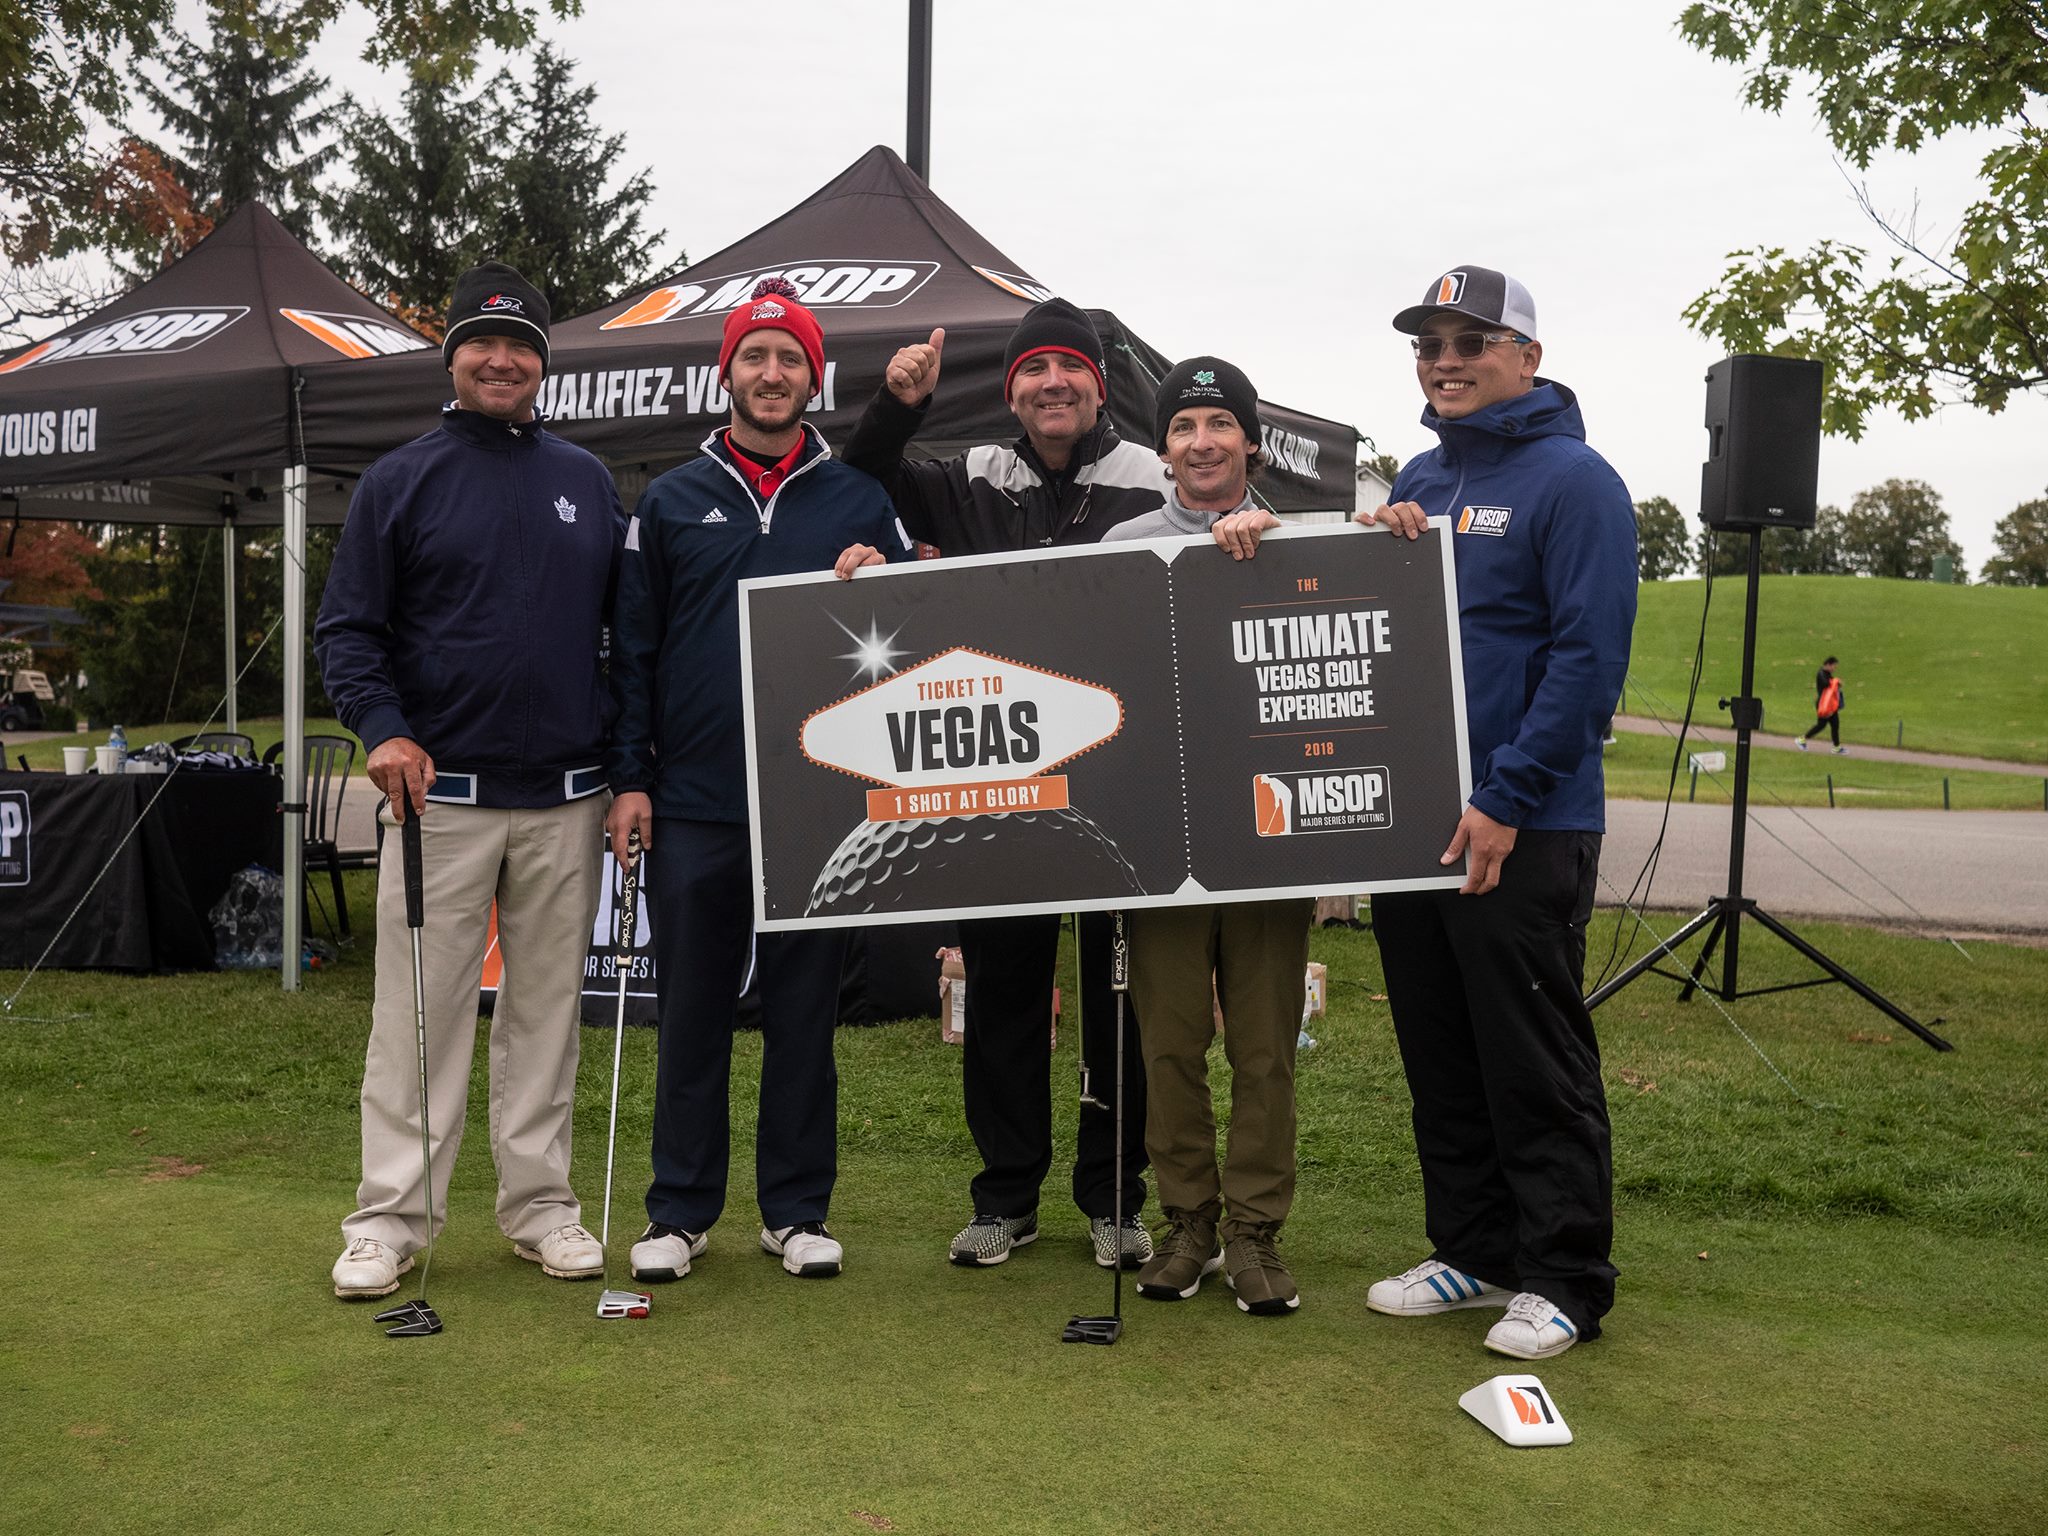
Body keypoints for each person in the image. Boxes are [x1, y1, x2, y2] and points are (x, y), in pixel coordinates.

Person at [317, 261, 625, 1300]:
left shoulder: (586, 480)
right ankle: (389, 1221)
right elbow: (348, 632)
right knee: (419, 1017)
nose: (503, 360)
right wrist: (383, 729)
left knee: (545, 1016)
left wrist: (626, 772)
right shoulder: (399, 480)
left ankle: (541, 1210)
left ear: (543, 363)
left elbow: (620, 643)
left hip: (566, 799)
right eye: (483, 344)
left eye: (522, 345)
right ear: (452, 357)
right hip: (436, 800)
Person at [840, 298, 1163, 1271]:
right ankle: (1005, 1198)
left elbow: (1228, 539)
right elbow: (862, 480)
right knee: (1005, 994)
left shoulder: (1149, 477)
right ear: (1012, 388)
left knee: (1119, 1002)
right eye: (1032, 371)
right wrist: (897, 406)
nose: (1050, 384)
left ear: (1096, 385)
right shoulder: (969, 473)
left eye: (1068, 369)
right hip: (998, 781)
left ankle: (1114, 1199)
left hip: (1118, 779)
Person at [1353, 266, 1637, 1359]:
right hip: (1414, 821)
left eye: (1469, 341)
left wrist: (1505, 797)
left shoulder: (1576, 481)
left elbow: (1585, 660)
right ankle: (1473, 1249)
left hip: (1524, 820)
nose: (1444, 360)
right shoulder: (1421, 477)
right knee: (1440, 1048)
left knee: (1529, 1052)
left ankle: (1563, 1276)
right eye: (1428, 344)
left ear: (1524, 354)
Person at [607, 278, 913, 1284]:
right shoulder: (671, 498)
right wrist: (630, 779)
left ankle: (794, 1210)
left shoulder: (858, 499)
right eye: (755, 356)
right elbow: (634, 651)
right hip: (693, 799)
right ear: (726, 371)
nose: (771, 373)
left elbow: (912, 640)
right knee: (688, 1008)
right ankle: (678, 1212)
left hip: (818, 800)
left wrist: (888, 584)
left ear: (813, 378)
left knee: (802, 1014)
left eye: (789, 359)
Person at [1100, 357, 1315, 1315]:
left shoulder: (1303, 539)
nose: (1201, 443)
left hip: (1267, 837)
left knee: (1265, 1049)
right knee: (1170, 1046)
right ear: (1162, 449)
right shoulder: (1121, 543)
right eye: (1183, 428)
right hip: (1161, 845)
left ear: (1250, 445)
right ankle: (1188, 1221)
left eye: (1218, 426)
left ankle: (1255, 1233)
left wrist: (1372, 540)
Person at [1798, 657, 1845, 753]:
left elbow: (1832, 686)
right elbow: (1826, 684)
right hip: (1824, 704)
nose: (1834, 669)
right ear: (1828, 664)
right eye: (1833, 666)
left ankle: (1837, 747)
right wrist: (1835, 681)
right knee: (1821, 725)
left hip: (1831, 704)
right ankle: (1802, 739)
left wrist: (1837, 683)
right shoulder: (1821, 674)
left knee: (1835, 724)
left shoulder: (1828, 674)